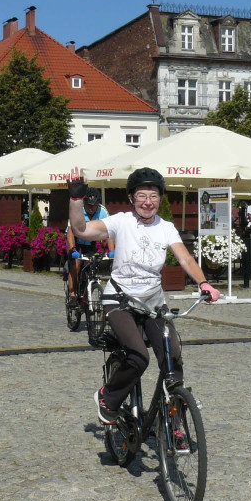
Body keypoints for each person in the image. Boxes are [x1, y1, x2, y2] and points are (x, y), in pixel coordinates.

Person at [68, 168, 221, 425]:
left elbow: (184, 257)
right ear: (131, 198)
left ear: (160, 199)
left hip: (152, 302)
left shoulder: (167, 228)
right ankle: (108, 397)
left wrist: (203, 282)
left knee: (172, 354)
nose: (147, 201)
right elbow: (81, 229)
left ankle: (175, 419)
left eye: (153, 195)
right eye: (141, 195)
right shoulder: (121, 222)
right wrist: (75, 200)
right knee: (139, 356)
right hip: (120, 300)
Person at [65, 187, 114, 302]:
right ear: (84, 203)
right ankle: (73, 294)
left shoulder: (102, 211)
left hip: (91, 243)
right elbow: (70, 231)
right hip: (77, 242)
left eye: (94, 205)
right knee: (76, 266)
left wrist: (111, 251)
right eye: (89, 205)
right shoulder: (78, 210)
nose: (92, 208)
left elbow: (110, 231)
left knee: (91, 267)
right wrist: (73, 250)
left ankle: (87, 290)